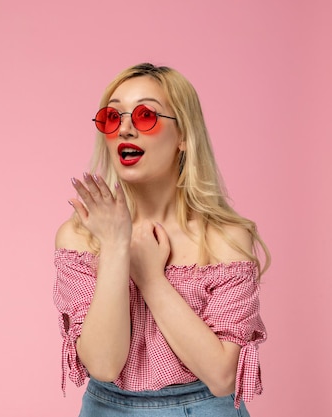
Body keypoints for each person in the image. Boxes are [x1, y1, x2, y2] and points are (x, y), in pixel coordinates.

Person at [53, 63, 269, 416]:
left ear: (183, 135)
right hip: (106, 409)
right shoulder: (80, 237)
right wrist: (117, 246)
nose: (124, 128)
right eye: (112, 116)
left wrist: (151, 278)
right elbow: (104, 366)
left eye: (144, 115)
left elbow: (221, 377)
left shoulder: (225, 239)